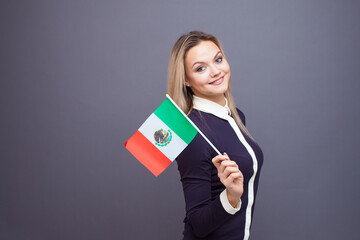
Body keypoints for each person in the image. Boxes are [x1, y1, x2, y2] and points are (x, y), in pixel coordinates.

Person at [167, 31, 264, 240]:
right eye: (201, 68)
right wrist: (231, 197)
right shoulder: (192, 133)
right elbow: (198, 223)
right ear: (185, 80)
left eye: (218, 59)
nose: (215, 71)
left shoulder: (236, 117)